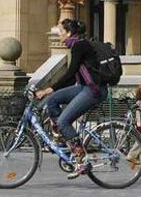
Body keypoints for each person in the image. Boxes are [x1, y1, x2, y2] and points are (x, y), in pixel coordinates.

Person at [35, 19, 108, 179]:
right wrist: (51, 92)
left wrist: (48, 88)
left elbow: (69, 73)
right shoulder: (76, 45)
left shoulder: (79, 46)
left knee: (63, 121)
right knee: (53, 100)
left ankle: (81, 160)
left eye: (60, 31)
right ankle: (62, 135)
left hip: (93, 90)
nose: (58, 35)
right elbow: (71, 76)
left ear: (69, 33)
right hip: (83, 87)